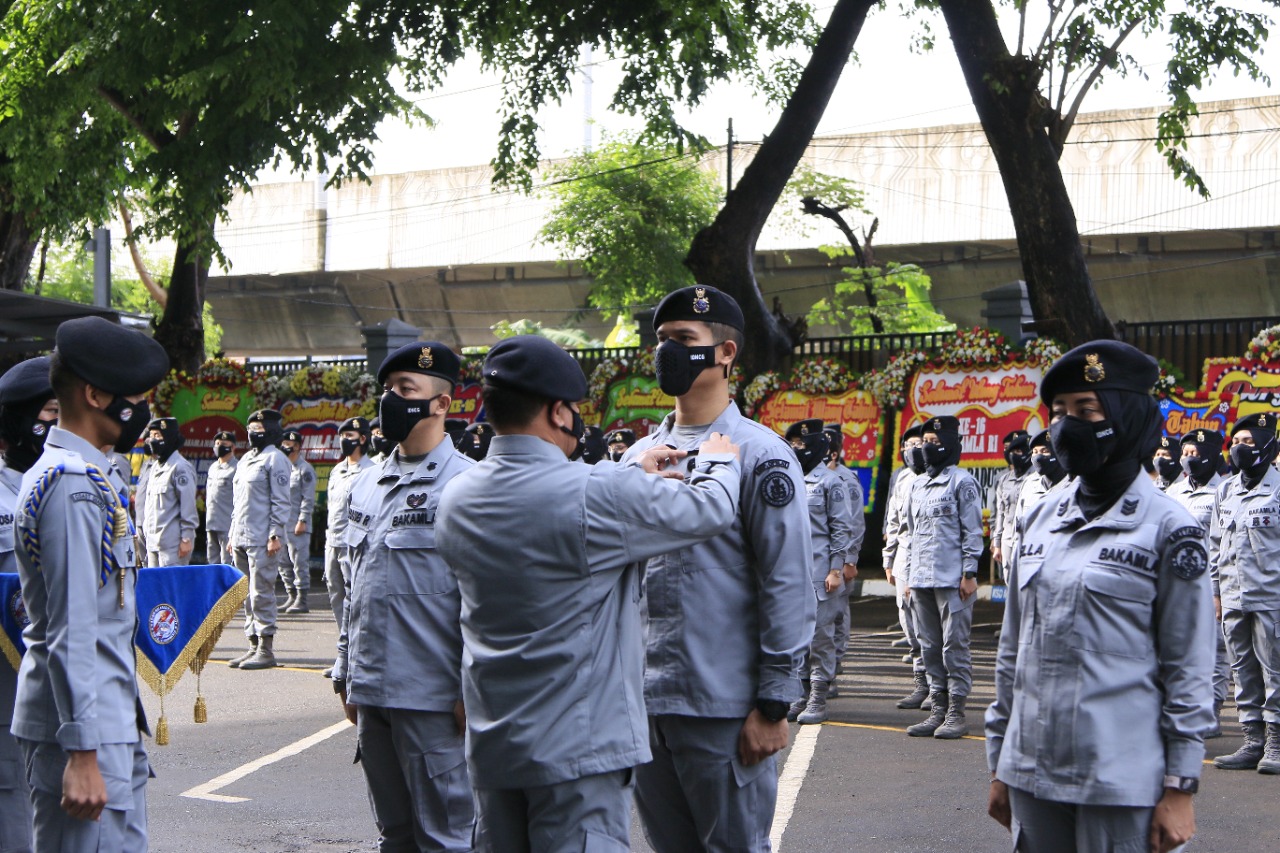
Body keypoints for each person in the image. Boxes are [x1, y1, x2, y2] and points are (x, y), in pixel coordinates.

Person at [435, 334, 744, 852]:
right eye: (574, 409)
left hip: (495, 747)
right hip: (577, 755)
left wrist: (628, 474)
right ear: (558, 413)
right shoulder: (595, 492)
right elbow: (709, 510)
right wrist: (718, 458)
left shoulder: (458, 496)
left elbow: (562, 512)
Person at [987, 340, 1214, 853]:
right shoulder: (1041, 517)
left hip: (1119, 781)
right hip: (1033, 772)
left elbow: (1189, 665)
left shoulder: (1169, 528)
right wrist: (1000, 761)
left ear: (1127, 417)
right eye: (1060, 411)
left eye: (1086, 410)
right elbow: (1012, 650)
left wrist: (1181, 784)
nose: (1067, 425)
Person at [622, 285, 815, 852]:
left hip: (723, 708)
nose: (667, 353)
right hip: (644, 702)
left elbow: (785, 580)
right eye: (662, 341)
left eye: (684, 340)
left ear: (725, 354)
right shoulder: (638, 458)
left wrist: (775, 701)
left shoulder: (761, 456)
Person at [12, 316, 168, 852]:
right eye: (136, 396)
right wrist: (81, 752)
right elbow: (72, 626)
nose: (144, 410)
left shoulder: (92, 475)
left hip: (104, 722)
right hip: (83, 733)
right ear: (97, 395)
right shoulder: (70, 488)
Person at [332, 343, 476, 851]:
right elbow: (354, 587)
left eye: (405, 390)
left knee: (447, 837)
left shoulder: (467, 484)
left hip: (434, 697)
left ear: (442, 404)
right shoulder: (367, 483)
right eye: (387, 389)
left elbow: (480, 598)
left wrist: (470, 688)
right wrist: (345, 669)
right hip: (372, 692)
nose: (390, 400)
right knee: (393, 835)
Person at [0, 355, 58, 853]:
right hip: (5, 684)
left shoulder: (78, 485)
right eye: (47, 415)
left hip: (63, 682)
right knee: (12, 797)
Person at [903, 415, 983, 739]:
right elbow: (911, 532)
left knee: (954, 647)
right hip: (921, 578)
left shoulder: (962, 482)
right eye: (925, 443)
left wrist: (970, 572)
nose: (928, 448)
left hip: (952, 579)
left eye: (935, 443)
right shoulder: (917, 484)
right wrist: (908, 575)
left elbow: (973, 531)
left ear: (950, 445)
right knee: (929, 646)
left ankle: (956, 712)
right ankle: (937, 708)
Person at [1209, 412, 1280, 774]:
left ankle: (1275, 744)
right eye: (1236, 443)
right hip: (1233, 596)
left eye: (1248, 443)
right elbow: (1214, 545)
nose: (1240, 449)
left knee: (1275, 671)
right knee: (1242, 670)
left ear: (1268, 446)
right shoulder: (1226, 490)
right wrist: (1216, 593)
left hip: (1272, 598)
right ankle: (1252, 741)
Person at [786, 419, 859, 725]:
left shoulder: (831, 482)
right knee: (797, 637)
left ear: (816, 446)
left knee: (820, 637)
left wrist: (836, 569)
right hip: (793, 571)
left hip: (821, 572)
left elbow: (842, 529)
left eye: (801, 444)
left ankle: (818, 696)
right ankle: (801, 694)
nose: (795, 449)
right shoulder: (789, 478)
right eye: (793, 444)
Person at [1167, 428, 1230, 738]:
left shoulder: (1225, 490)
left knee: (1216, 651)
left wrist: (1219, 590)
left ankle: (1212, 708)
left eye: (1196, 454)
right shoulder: (1173, 493)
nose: (1190, 459)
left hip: (1211, 584)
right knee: (1180, 649)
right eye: (1186, 454)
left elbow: (1223, 545)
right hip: (1177, 585)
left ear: (1214, 456)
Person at [226, 408, 292, 670]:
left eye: (260, 430)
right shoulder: (244, 461)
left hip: (263, 538)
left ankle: (266, 648)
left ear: (272, 432)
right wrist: (233, 534)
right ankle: (252, 644)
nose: (254, 434)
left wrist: (275, 533)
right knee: (246, 594)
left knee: (261, 592)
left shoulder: (275, 459)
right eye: (251, 429)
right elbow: (237, 503)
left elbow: (281, 501)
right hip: (242, 536)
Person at [883, 424, 929, 709]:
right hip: (902, 561)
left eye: (918, 445)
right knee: (909, 626)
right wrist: (888, 560)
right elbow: (893, 523)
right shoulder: (902, 480)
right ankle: (920, 684)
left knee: (931, 631)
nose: (912, 451)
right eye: (908, 446)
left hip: (927, 563)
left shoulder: (945, 480)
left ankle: (940, 689)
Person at [322, 416, 374, 666]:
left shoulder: (371, 471)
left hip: (354, 543)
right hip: (333, 541)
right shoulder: (337, 469)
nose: (344, 441)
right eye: (341, 437)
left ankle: (353, 653)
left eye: (349, 437)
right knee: (335, 594)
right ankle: (345, 646)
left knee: (355, 598)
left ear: (363, 439)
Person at [823, 422, 866, 688]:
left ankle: (833, 668)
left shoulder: (845, 479)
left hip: (839, 560)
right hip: (818, 559)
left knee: (837, 614)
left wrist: (850, 560)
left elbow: (854, 523)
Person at [137, 417, 197, 567]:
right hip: (152, 543)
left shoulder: (180, 467)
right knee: (154, 589)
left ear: (168, 437)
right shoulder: (155, 467)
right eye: (151, 436)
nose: (152, 440)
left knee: (172, 589)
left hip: (172, 546)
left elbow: (188, 504)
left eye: (157, 435)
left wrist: (187, 538)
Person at [279, 429, 317, 614]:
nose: (287, 446)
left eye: (290, 444)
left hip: (298, 525)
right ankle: (291, 595)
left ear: (298, 447)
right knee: (283, 561)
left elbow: (308, 498)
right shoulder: (281, 468)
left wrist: (303, 519)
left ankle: (302, 599)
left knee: (298, 562)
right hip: (282, 524)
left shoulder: (305, 469)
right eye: (284, 443)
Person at [989, 430, 1031, 582]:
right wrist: (997, 541)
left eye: (1019, 451)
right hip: (1007, 541)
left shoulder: (1037, 478)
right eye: (1011, 451)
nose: (1014, 455)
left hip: (1029, 542)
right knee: (1009, 588)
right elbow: (999, 513)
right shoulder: (1003, 480)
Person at [205, 430, 238, 565]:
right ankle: (214, 587)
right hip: (211, 523)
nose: (219, 446)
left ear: (233, 447)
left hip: (227, 525)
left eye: (224, 444)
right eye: (217, 443)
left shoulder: (237, 468)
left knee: (227, 563)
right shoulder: (213, 467)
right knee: (212, 563)